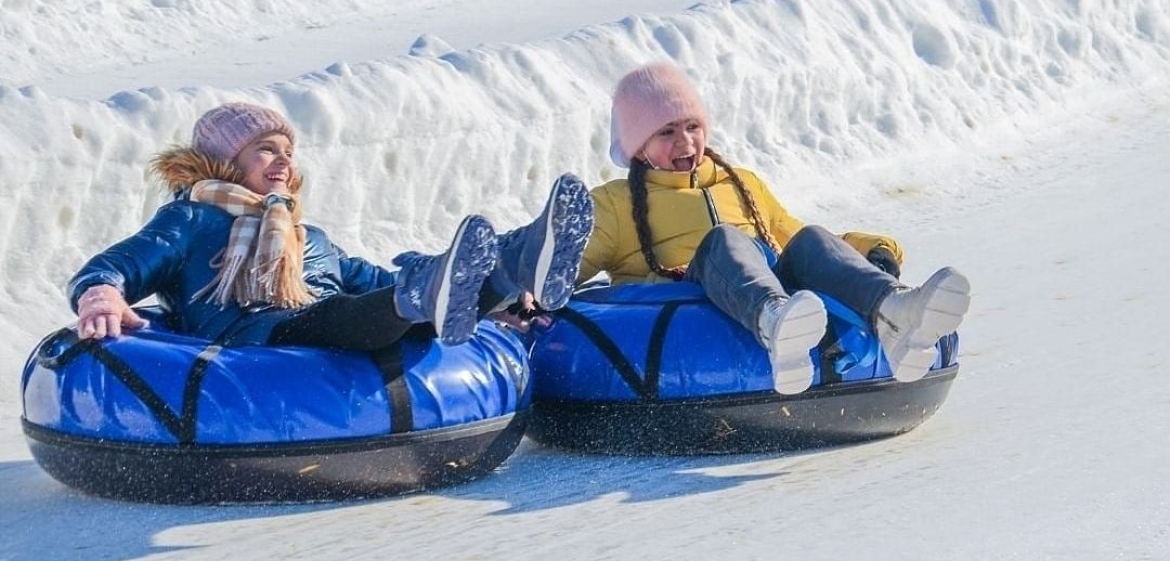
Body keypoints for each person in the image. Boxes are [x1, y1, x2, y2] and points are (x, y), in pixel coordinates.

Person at [577, 62, 971, 394]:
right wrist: (528, 298)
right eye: (666, 131)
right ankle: (774, 320)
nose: (685, 142)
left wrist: (873, 248)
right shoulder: (615, 203)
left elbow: (792, 235)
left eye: (692, 126)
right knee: (723, 241)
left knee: (811, 238)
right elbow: (567, 267)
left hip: (784, 295)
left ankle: (894, 310)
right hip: (691, 304)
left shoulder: (740, 182)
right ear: (637, 146)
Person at [70, 102, 594, 351]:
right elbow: (121, 264)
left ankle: (517, 263)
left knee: (416, 293)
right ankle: (430, 293)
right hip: (260, 337)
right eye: (264, 150)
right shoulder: (191, 218)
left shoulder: (306, 235)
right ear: (224, 162)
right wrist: (102, 297)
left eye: (288, 152)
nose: (282, 162)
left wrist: (490, 301)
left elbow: (371, 280)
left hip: (329, 315)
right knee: (357, 312)